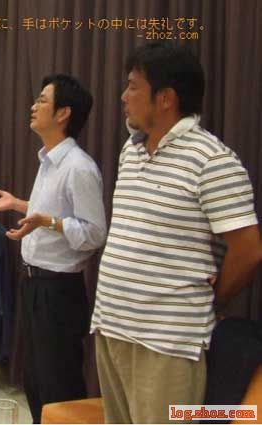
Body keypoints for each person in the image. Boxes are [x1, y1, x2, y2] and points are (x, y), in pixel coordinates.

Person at [90, 42, 260, 423]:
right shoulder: (130, 151)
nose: (124, 97)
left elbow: (248, 250)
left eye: (133, 86)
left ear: (165, 98)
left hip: (168, 341)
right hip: (112, 324)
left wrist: (215, 297)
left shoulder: (212, 160)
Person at [0, 74, 106, 423]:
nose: (33, 107)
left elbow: (94, 233)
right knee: (35, 383)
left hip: (59, 292)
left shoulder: (79, 167)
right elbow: (51, 212)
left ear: (63, 113)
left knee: (59, 388)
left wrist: (48, 222)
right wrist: (18, 204)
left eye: (42, 100)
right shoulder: (49, 160)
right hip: (34, 285)